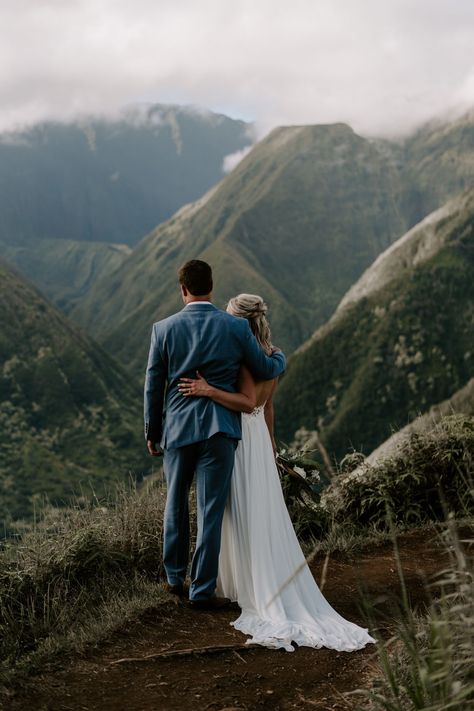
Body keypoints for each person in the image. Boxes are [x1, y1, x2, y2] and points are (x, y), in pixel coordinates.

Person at [178, 293, 375, 651]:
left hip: (239, 438)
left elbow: (249, 402)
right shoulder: (272, 356)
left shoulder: (242, 358)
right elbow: (269, 408)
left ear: (238, 323)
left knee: (236, 512)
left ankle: (240, 585)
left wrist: (207, 389)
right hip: (258, 441)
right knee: (259, 513)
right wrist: (270, 444)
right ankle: (246, 580)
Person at [144, 261, 286, 609]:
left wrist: (153, 431)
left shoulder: (163, 329)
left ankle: (174, 578)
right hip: (219, 429)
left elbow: (153, 385)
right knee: (210, 510)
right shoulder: (236, 328)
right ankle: (202, 590)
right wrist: (281, 359)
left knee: (175, 502)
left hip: (177, 429)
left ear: (183, 289)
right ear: (212, 286)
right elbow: (266, 368)